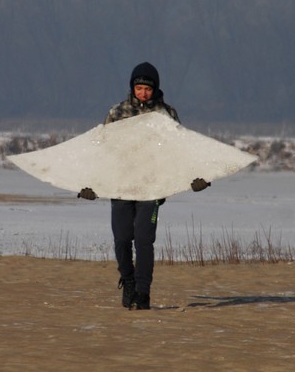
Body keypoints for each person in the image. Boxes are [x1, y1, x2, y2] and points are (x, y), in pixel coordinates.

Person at [78, 62, 210, 310]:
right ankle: (128, 281)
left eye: (147, 89)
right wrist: (90, 184)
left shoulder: (165, 115)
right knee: (122, 239)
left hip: (151, 187)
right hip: (120, 185)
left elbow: (181, 149)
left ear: (155, 89)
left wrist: (197, 176)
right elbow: (101, 151)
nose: (143, 93)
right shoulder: (117, 113)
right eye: (139, 88)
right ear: (132, 88)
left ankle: (142, 292)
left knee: (144, 241)